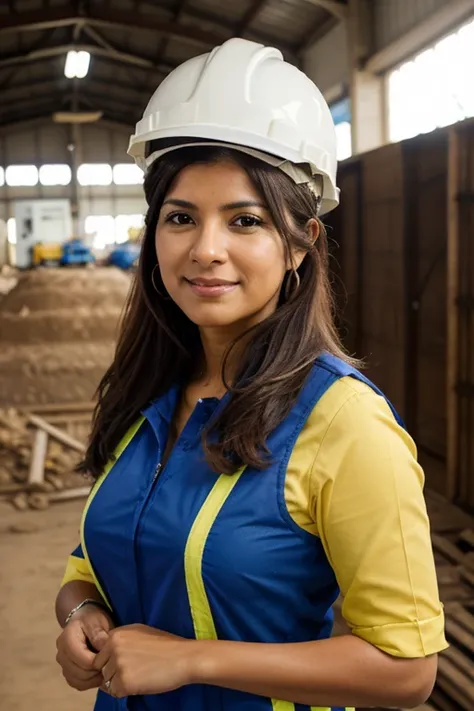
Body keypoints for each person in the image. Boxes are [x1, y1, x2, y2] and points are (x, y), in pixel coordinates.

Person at [55, 38, 447, 711]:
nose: (207, 249)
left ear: (302, 243)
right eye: (181, 217)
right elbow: (91, 562)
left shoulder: (344, 423)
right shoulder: (147, 394)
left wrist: (189, 659)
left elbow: (407, 669)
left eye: (245, 220)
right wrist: (79, 611)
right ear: (154, 236)